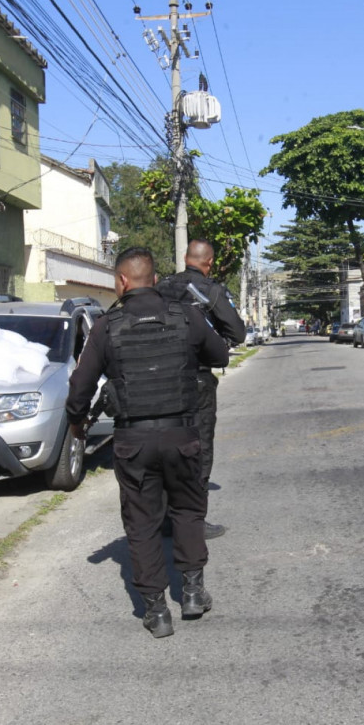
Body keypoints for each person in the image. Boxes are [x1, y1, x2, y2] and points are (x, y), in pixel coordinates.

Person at [66, 247, 229, 638]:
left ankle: (156, 611)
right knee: (188, 511)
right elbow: (220, 352)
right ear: (154, 279)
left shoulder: (107, 326)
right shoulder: (185, 315)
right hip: (182, 435)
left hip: (132, 440)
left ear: (121, 282)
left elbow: (80, 387)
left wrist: (76, 424)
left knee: (142, 523)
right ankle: (192, 592)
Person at [156, 239, 245, 540]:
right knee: (199, 449)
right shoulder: (211, 290)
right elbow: (237, 331)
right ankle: (194, 522)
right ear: (209, 263)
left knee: (167, 448)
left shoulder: (161, 287)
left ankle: (167, 519)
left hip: (158, 380)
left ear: (185, 258)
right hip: (196, 380)